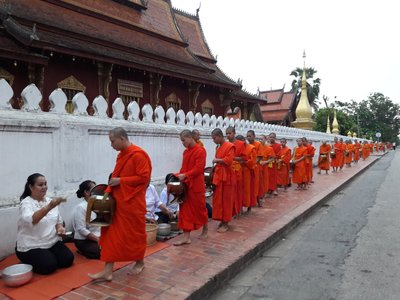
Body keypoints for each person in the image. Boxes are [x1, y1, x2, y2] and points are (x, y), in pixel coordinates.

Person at [88, 127, 152, 281]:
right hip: (118, 202)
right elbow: (116, 177)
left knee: (134, 235)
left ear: (122, 138)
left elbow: (144, 178)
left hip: (132, 203)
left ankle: (140, 262)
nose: (111, 145)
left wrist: (121, 181)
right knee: (111, 236)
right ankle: (107, 271)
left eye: (113, 141)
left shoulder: (138, 155)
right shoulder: (121, 156)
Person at [16, 173, 74, 274]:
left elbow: (58, 221)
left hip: (51, 241)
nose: (44, 187)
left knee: (68, 259)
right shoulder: (26, 203)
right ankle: (28, 257)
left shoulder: (50, 201)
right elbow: (33, 219)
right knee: (49, 266)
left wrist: (60, 228)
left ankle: (47, 255)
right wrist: (49, 207)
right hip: (31, 245)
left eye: (45, 184)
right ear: (31, 187)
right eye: (40, 185)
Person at [173, 130, 208, 245]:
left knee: (200, 208)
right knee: (184, 210)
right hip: (187, 184)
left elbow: (199, 169)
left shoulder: (200, 150)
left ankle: (205, 228)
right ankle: (186, 237)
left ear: (189, 137)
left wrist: (186, 175)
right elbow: (184, 168)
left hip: (196, 184)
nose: (183, 143)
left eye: (183, 140)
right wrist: (179, 177)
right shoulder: (186, 152)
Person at [211, 128, 235, 233]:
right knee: (218, 199)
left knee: (226, 200)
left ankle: (226, 223)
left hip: (227, 177)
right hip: (219, 176)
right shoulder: (218, 147)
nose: (213, 140)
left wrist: (217, 160)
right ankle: (221, 219)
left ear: (220, 136)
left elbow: (229, 161)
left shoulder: (230, 146)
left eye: (214, 138)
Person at [73, 180, 101, 259]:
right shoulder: (81, 207)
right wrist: (98, 240)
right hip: (84, 240)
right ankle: (82, 250)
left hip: (98, 237)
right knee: (101, 252)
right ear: (87, 192)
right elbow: (81, 229)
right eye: (94, 189)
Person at [226, 127, 246, 217]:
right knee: (230, 192)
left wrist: (232, 158)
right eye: (226, 133)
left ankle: (239, 208)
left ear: (234, 133)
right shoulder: (225, 144)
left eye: (229, 133)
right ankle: (232, 210)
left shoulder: (241, 144)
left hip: (237, 170)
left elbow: (243, 158)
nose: (228, 135)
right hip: (227, 170)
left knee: (238, 190)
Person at [237, 135, 256, 213]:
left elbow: (253, 161)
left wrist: (244, 162)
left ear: (243, 140)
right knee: (239, 190)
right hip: (239, 171)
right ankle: (240, 207)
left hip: (248, 171)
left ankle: (249, 207)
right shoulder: (238, 148)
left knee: (249, 190)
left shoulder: (251, 148)